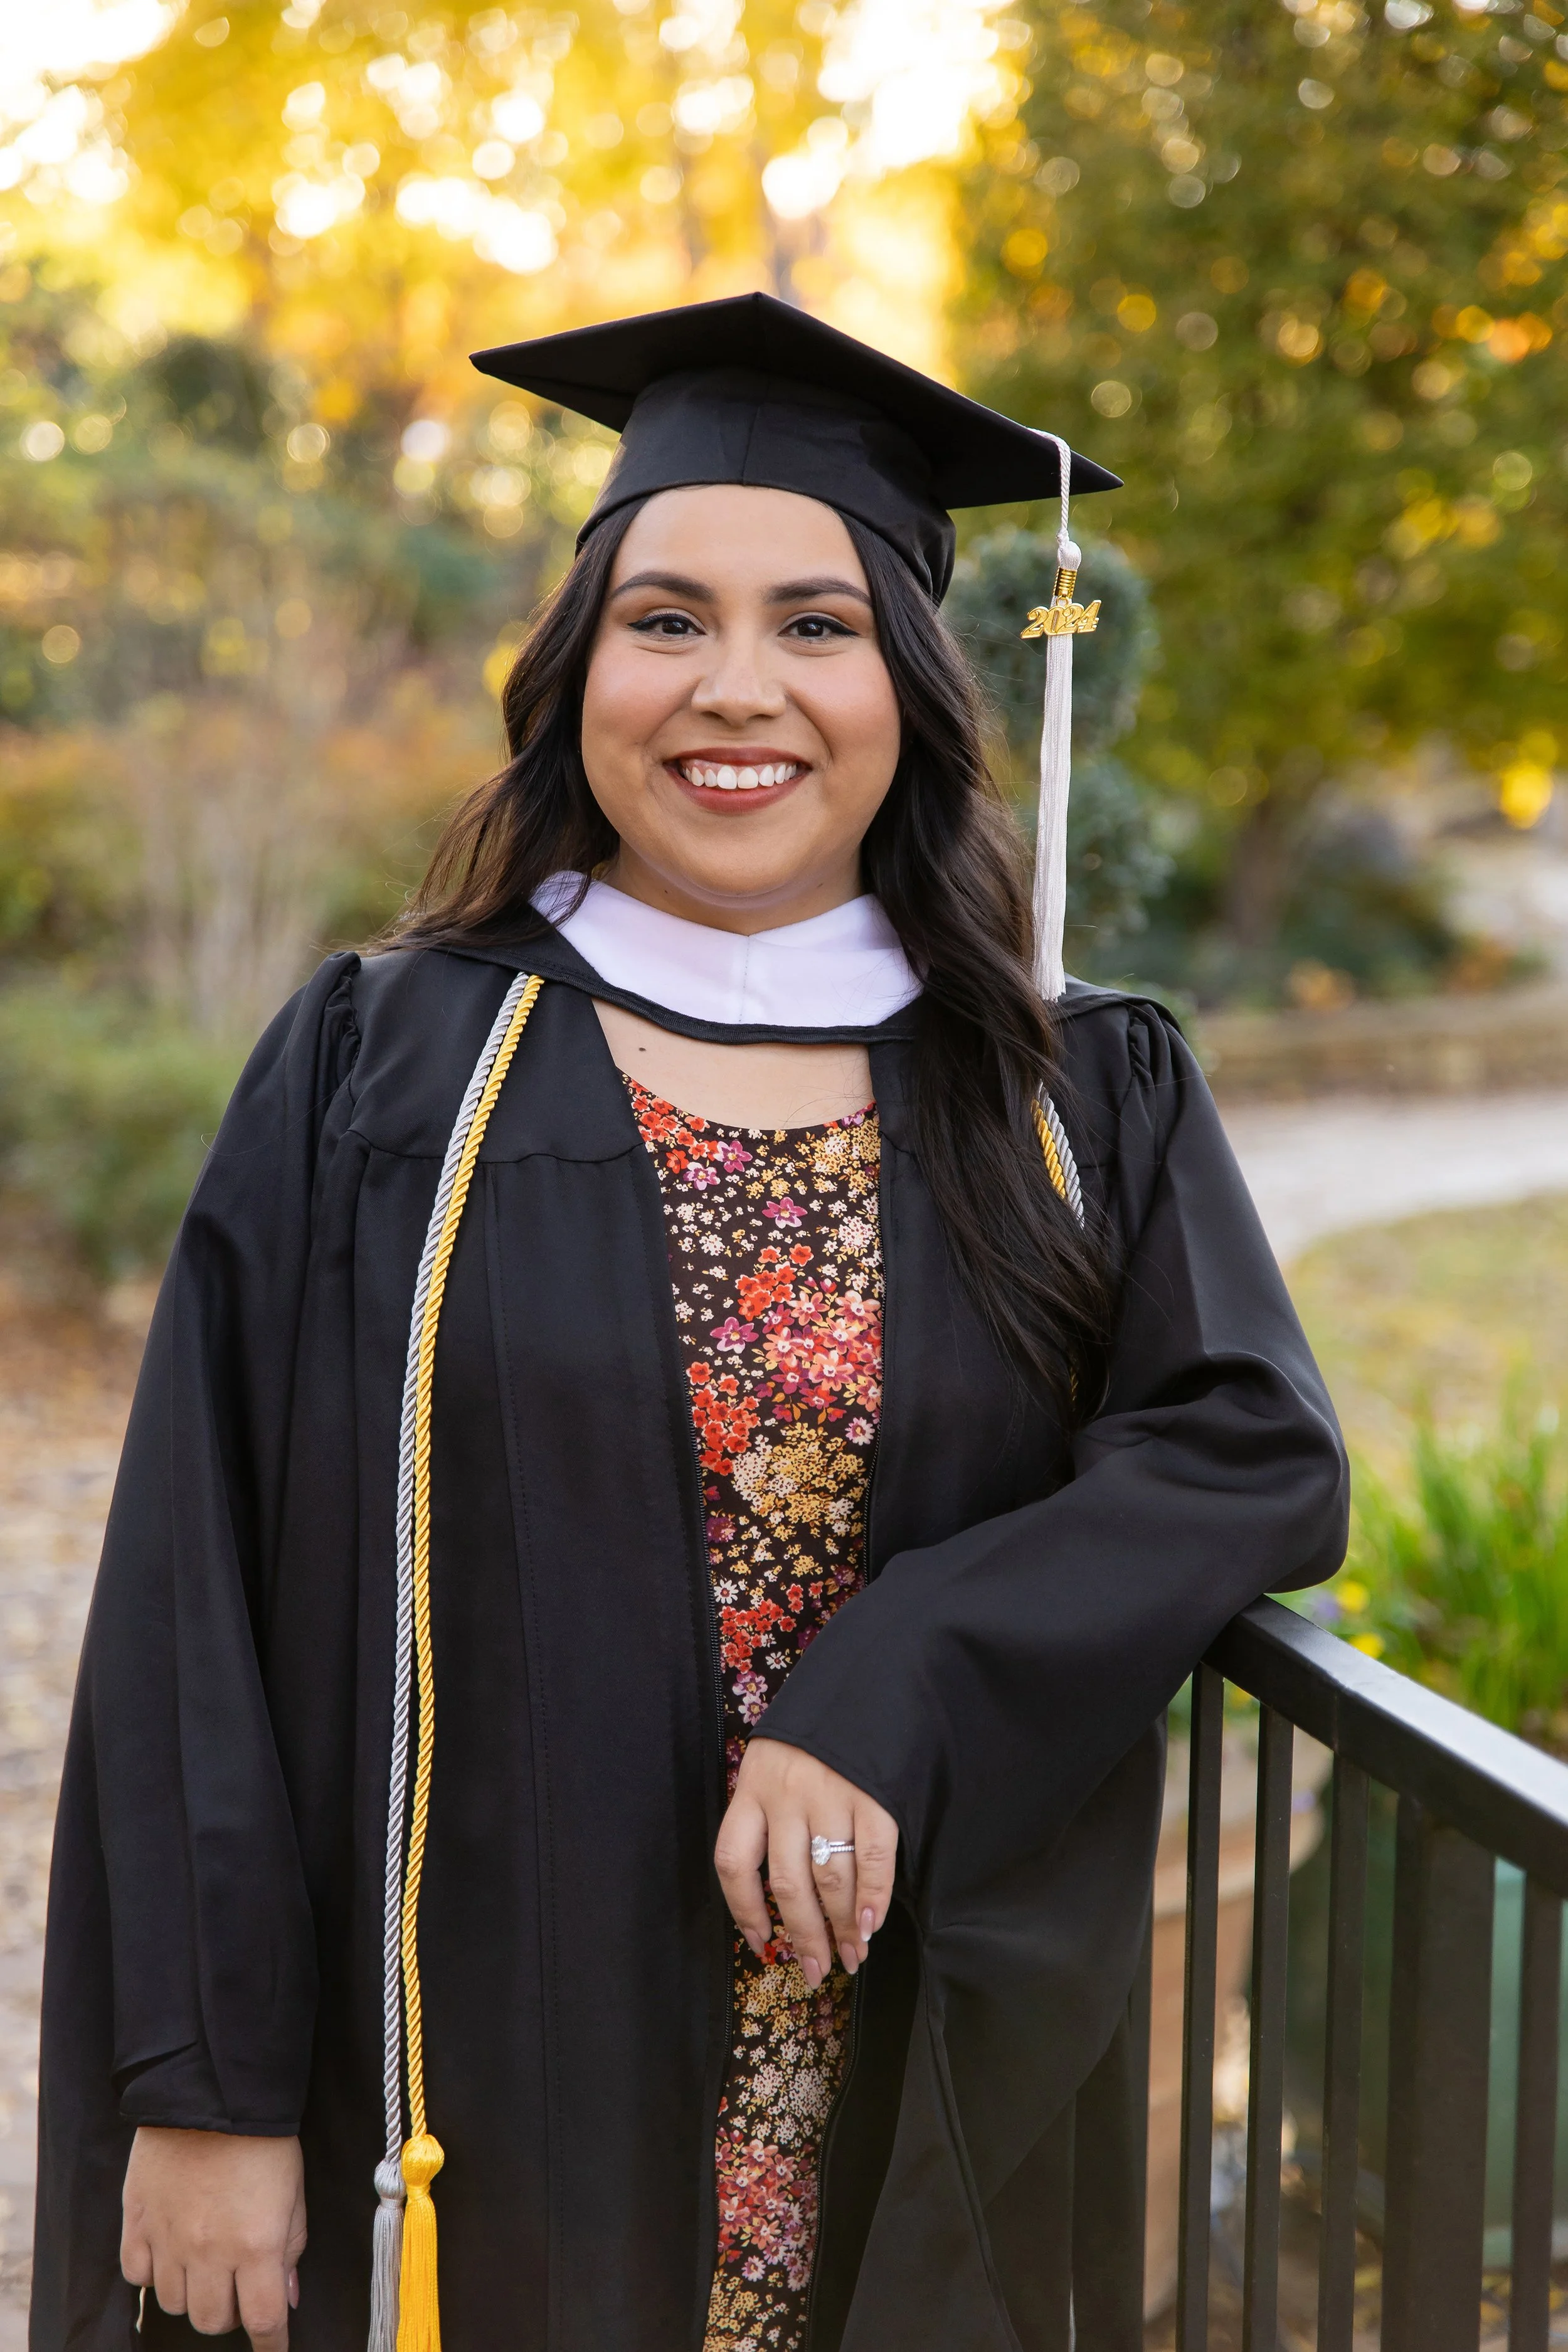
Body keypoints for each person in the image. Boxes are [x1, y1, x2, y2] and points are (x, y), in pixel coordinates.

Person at [33, 292, 1348, 2352]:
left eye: (817, 624)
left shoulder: (1068, 1088)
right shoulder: (387, 1063)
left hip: (898, 2083)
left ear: (909, 683)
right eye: (667, 620)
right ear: (575, 675)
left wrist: (890, 1678)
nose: (738, 689)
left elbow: (1245, 1446)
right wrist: (201, 2088)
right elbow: (194, 1586)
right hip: (454, 2094)